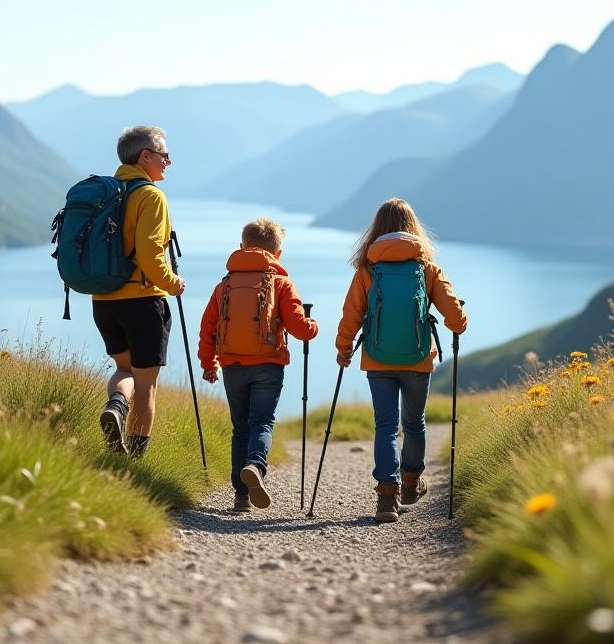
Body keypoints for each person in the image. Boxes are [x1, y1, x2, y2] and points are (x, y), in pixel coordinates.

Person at [336, 199, 466, 523]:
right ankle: (410, 482)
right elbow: (453, 313)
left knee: (385, 425)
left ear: (376, 230)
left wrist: (344, 348)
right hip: (418, 358)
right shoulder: (426, 269)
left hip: (378, 359)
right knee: (414, 422)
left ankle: (386, 498)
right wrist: (458, 322)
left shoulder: (367, 271)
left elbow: (351, 314)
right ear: (414, 229)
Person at [199, 218, 318, 511]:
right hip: (268, 364)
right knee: (261, 422)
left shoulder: (223, 285)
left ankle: (241, 498)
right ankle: (255, 465)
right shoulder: (281, 283)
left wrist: (209, 363)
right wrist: (313, 326)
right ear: (277, 254)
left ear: (242, 247)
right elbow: (300, 328)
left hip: (232, 365)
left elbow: (208, 327)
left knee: (240, 427)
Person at [94, 125, 184, 458]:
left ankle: (116, 406)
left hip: (104, 301)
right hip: (143, 303)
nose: (168, 162)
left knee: (124, 371)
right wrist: (173, 283)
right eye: (163, 155)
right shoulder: (150, 196)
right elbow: (149, 255)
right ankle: (133, 461)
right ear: (144, 156)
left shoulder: (107, 192)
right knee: (147, 387)